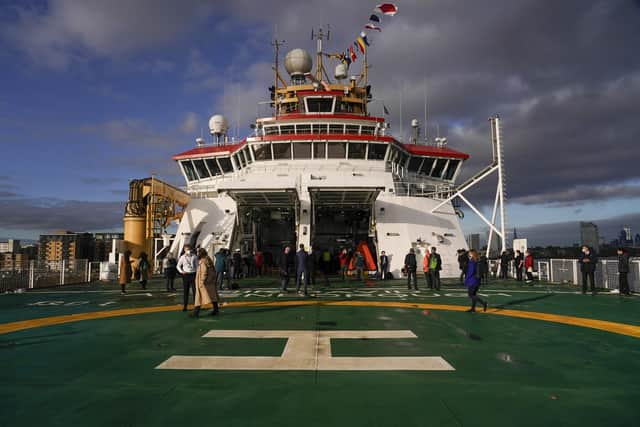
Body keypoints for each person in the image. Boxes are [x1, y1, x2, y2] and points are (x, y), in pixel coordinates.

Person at [190, 248, 220, 317]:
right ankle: (216, 310)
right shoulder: (208, 260)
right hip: (210, 282)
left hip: (204, 282)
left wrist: (201, 281)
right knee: (213, 296)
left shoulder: (202, 262)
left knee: (199, 297)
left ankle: (195, 312)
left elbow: (204, 272)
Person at [177, 244, 198, 311]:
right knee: (186, 291)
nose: (188, 251)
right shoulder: (182, 257)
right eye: (187, 249)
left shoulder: (194, 256)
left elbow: (197, 266)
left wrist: (197, 273)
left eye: (189, 249)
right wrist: (181, 271)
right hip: (185, 275)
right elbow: (178, 266)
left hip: (193, 274)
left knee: (195, 291)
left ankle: (196, 306)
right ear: (184, 250)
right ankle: (185, 306)